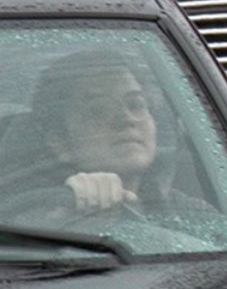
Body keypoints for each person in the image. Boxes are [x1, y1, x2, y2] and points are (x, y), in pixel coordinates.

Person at [1, 52, 215, 239]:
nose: (126, 119)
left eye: (136, 104)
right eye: (98, 110)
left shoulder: (188, 212)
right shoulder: (28, 217)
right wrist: (65, 217)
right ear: (60, 142)